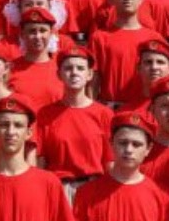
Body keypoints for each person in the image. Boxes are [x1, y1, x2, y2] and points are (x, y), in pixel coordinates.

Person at [72, 112, 169, 221]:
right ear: (111, 144)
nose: (129, 150)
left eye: (136, 144)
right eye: (123, 143)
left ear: (148, 149)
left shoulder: (160, 196)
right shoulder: (86, 194)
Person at [35, 48, 113, 190]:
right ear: (59, 74)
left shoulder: (104, 114)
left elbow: (110, 161)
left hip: (93, 187)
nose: (74, 72)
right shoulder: (45, 114)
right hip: (59, 188)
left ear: (89, 74)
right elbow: (40, 160)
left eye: (80, 68)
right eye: (68, 68)